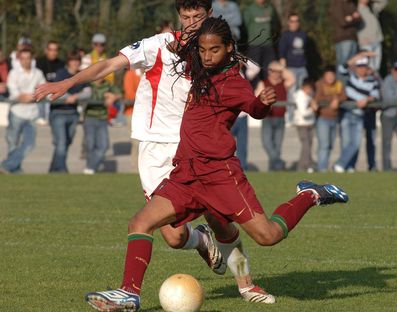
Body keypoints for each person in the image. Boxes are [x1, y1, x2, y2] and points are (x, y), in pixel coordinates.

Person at [84, 17, 347, 311]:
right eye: (203, 50)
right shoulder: (199, 65)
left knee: (268, 236)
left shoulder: (234, 82)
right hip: (186, 174)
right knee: (140, 222)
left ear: (229, 48)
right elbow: (178, 46)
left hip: (220, 175)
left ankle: (309, 195)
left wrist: (264, 102)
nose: (207, 56)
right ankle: (128, 293)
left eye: (214, 50)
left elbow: (254, 109)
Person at [35, 0, 274, 305]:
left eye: (198, 16)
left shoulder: (213, 54)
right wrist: (69, 82)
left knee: (220, 220)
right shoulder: (158, 46)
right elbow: (110, 64)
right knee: (174, 238)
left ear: (209, 16)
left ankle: (246, 284)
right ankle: (200, 241)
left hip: (196, 151)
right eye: (185, 16)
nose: (191, 22)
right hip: (155, 151)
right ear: (178, 17)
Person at [334, 51, 380, 172]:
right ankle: (346, 166)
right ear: (356, 67)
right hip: (347, 114)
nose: (361, 69)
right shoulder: (350, 77)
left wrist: (367, 99)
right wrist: (360, 55)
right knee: (346, 143)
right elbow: (341, 68)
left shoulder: (372, 80)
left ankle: (343, 165)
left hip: (359, 115)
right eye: (359, 66)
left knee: (355, 143)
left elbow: (375, 95)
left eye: (364, 66)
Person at [0, 49, 45, 174]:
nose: (26, 60)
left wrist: (29, 96)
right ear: (19, 60)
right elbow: (15, 94)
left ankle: (5, 166)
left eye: (28, 58)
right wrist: (27, 96)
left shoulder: (38, 73)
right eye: (23, 58)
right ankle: (15, 170)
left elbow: (42, 90)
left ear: (32, 59)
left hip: (32, 115)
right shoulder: (14, 73)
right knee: (12, 144)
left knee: (30, 145)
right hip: (16, 112)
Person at [49, 51, 91, 173]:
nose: (75, 63)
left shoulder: (82, 75)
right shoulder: (61, 73)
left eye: (77, 61)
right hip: (58, 113)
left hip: (73, 114)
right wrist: (67, 97)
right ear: (68, 62)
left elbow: (88, 92)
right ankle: (62, 171)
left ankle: (53, 170)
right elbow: (55, 91)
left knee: (66, 143)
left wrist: (75, 97)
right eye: (73, 61)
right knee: (61, 143)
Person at [255, 61, 295, 171]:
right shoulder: (263, 83)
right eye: (274, 71)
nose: (277, 74)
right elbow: (257, 98)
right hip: (268, 118)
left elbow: (292, 78)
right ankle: (278, 162)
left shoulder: (284, 84)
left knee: (277, 145)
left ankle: (274, 169)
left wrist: (281, 67)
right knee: (267, 142)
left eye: (279, 72)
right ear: (269, 72)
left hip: (280, 118)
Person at [83, 78, 121, 174]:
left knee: (104, 146)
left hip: (103, 118)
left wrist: (113, 97)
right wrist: (103, 98)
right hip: (90, 118)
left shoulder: (108, 85)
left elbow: (120, 94)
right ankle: (91, 168)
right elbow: (84, 97)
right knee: (90, 145)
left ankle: (90, 167)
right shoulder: (88, 85)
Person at [314, 66, 347, 172]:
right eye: (328, 75)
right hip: (323, 118)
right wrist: (333, 99)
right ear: (324, 76)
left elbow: (344, 96)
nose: (330, 77)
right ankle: (321, 169)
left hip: (335, 118)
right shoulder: (319, 84)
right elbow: (317, 98)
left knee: (330, 145)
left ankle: (324, 166)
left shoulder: (339, 84)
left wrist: (337, 99)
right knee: (324, 145)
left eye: (332, 75)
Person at [243, 0, 279, 84]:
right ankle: (253, 91)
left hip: (268, 45)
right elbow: (245, 26)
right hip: (254, 45)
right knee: (254, 71)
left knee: (270, 70)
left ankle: (270, 90)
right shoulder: (249, 9)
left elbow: (274, 24)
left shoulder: (270, 8)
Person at [329, 0, 361, 81]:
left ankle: (350, 87)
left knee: (352, 65)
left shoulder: (351, 4)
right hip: (343, 39)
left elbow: (359, 19)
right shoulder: (337, 4)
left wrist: (351, 18)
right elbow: (343, 22)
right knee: (343, 65)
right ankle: (342, 88)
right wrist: (354, 17)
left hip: (353, 38)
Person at [36, 40, 66, 125]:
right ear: (46, 50)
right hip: (43, 90)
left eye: (55, 50)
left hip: (57, 91)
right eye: (51, 49)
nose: (53, 52)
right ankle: (41, 117)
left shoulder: (61, 63)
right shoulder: (39, 62)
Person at [293, 78, 318, 172]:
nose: (310, 91)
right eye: (309, 88)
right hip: (302, 124)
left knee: (308, 146)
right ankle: (303, 167)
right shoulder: (300, 96)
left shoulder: (309, 95)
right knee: (306, 146)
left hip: (309, 123)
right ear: (304, 87)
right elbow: (303, 113)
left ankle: (307, 165)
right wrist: (312, 109)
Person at [279, 12, 308, 90]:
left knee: (303, 92)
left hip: (302, 68)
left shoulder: (303, 34)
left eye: (297, 21)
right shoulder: (285, 35)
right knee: (292, 93)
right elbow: (282, 55)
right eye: (292, 21)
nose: (295, 23)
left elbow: (306, 50)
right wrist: (284, 70)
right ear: (289, 22)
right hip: (291, 68)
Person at [357, 0, 387, 74]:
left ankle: (375, 82)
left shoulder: (372, 8)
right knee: (368, 66)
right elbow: (355, 26)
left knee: (376, 67)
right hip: (366, 42)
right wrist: (361, 39)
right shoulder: (357, 9)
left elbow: (384, 2)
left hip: (377, 40)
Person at [123, 68, 142, 171]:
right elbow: (130, 95)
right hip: (133, 113)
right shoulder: (130, 74)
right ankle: (135, 170)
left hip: (151, 113)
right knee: (137, 143)